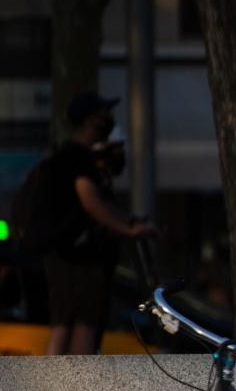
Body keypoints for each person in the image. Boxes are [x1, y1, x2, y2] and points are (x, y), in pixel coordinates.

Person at [42, 92, 156, 355]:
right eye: (102, 117)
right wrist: (128, 229)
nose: (108, 122)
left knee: (66, 324)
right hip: (78, 258)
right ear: (89, 121)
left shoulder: (65, 156)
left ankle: (57, 388)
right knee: (82, 326)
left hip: (66, 255)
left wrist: (129, 222)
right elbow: (91, 201)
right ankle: (76, 390)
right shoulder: (78, 157)